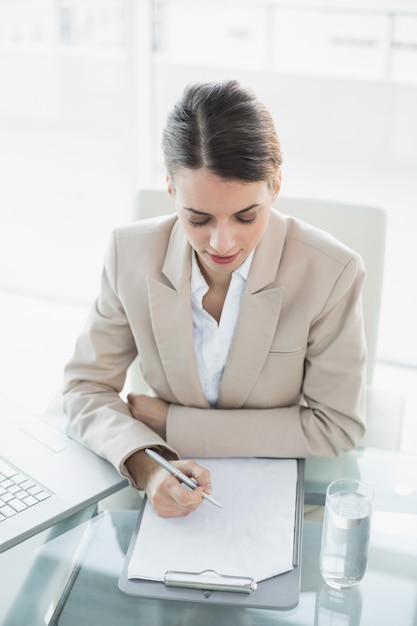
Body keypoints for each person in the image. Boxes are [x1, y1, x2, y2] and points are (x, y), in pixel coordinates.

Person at [63, 80, 366, 518]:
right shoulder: (128, 254)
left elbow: (337, 428)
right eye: (198, 218)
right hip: (164, 495)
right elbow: (85, 387)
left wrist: (173, 423)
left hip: (285, 506)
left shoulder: (332, 273)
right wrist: (148, 467)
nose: (222, 242)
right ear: (170, 189)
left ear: (276, 185)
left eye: (246, 216)